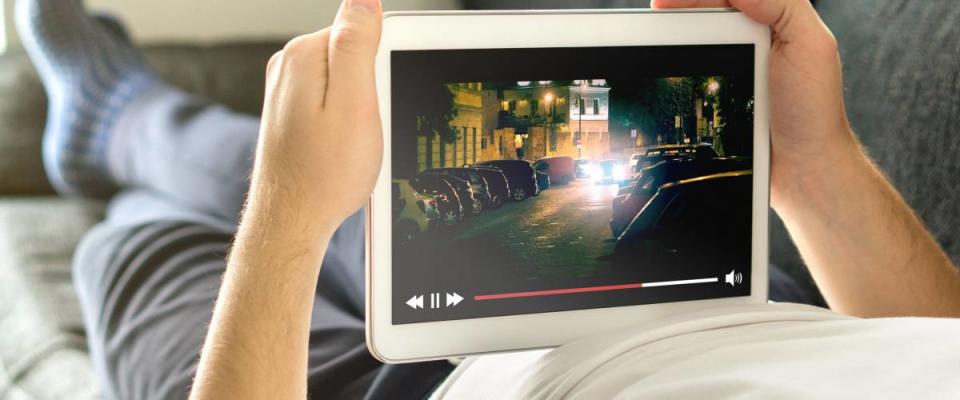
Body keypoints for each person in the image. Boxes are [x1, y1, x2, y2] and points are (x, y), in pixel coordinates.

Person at [15, 0, 960, 398]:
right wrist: (812, 159)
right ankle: (121, 122)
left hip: (455, 389)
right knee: (318, 177)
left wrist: (286, 220)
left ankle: (120, 140)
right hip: (755, 302)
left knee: (151, 248)